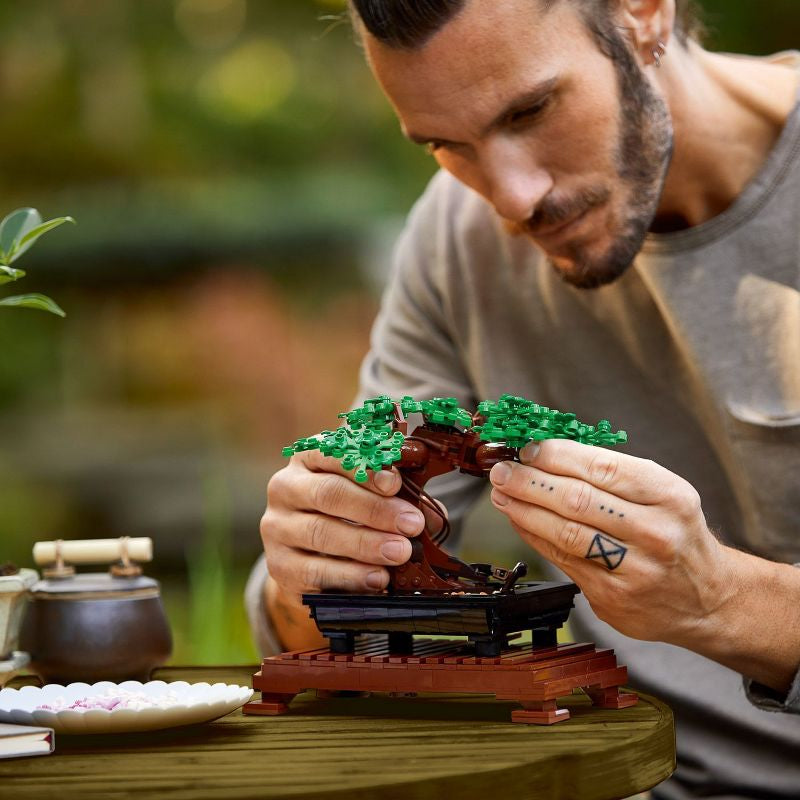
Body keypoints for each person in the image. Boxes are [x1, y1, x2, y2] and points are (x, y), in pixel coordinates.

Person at [245, 1, 800, 797]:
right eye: (446, 144)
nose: (510, 199)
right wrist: (313, 570)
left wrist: (722, 601)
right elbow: (310, 642)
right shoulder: (454, 240)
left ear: (643, 13)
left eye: (531, 110)